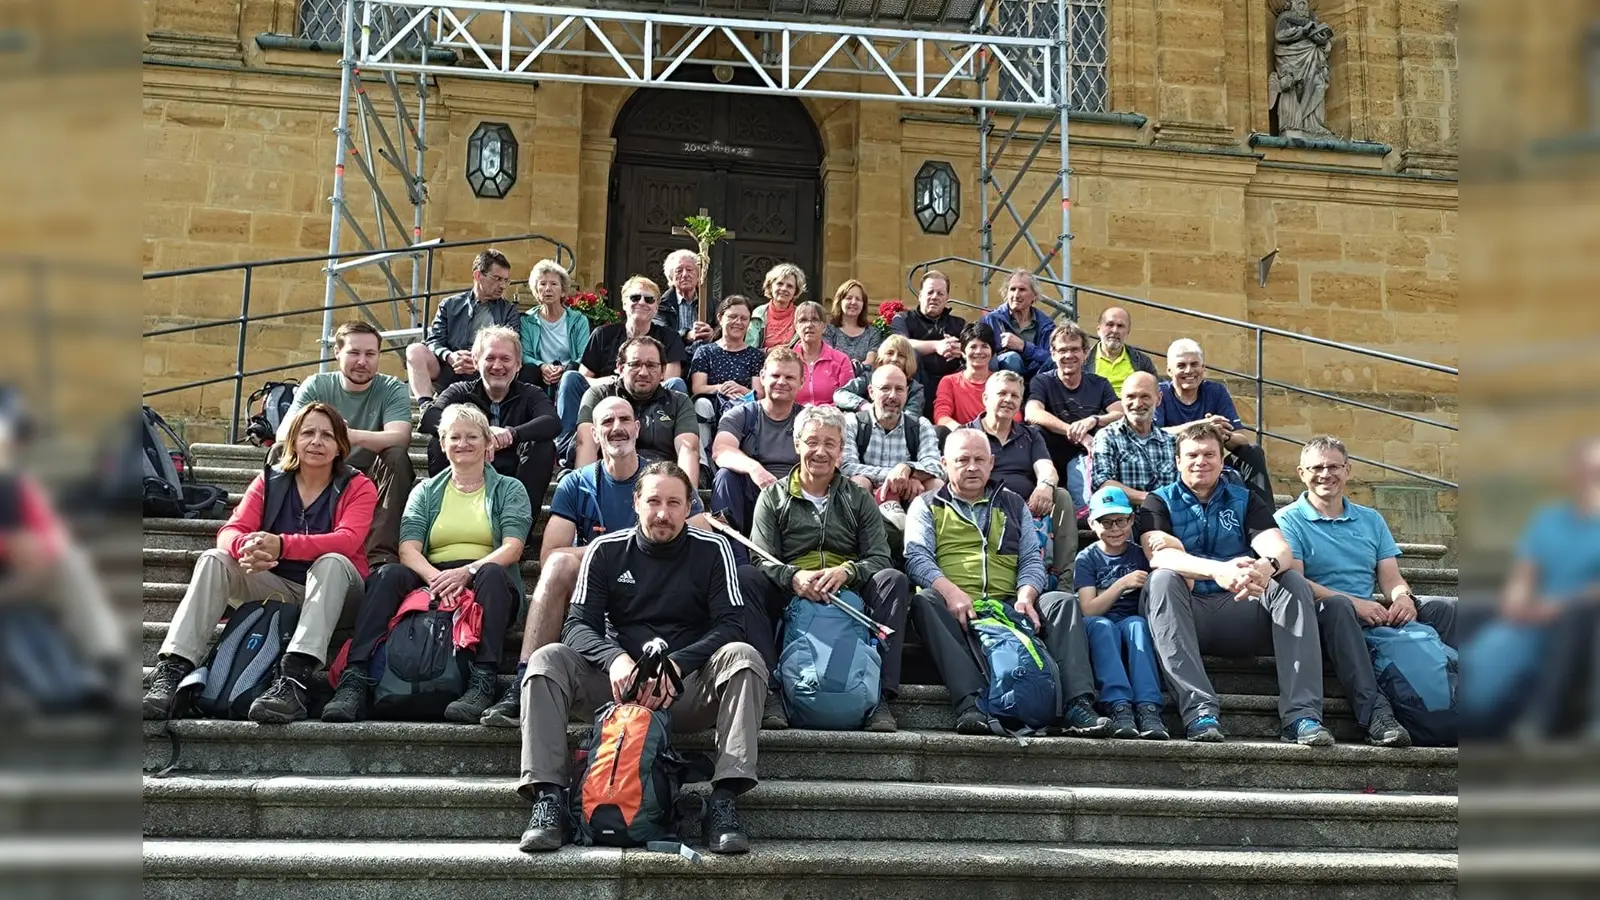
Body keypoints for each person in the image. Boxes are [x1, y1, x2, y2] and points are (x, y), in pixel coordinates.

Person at [516, 462, 764, 855]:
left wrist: (678, 664)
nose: (662, 513)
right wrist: (615, 659)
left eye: (673, 503)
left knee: (744, 658)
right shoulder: (605, 550)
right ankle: (549, 800)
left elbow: (733, 625)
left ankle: (724, 801)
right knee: (547, 660)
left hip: (685, 689)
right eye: (653, 501)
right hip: (616, 692)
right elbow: (578, 625)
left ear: (688, 507)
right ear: (636, 503)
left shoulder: (714, 550)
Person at [478, 397, 707, 728]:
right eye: (607, 422)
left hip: (660, 586)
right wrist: (615, 550)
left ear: (637, 428)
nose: (617, 428)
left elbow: (701, 540)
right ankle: (524, 681)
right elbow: (550, 555)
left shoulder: (665, 480)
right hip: (601, 586)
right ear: (595, 435)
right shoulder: (577, 482)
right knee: (559, 567)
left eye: (625, 419)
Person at [143, 402, 375, 723]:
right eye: (308, 433)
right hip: (275, 586)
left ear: (340, 447)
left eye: (327, 435)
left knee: (333, 561)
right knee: (215, 559)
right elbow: (230, 531)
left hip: (338, 595)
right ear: (292, 440)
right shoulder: (270, 481)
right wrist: (247, 546)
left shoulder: (358, 486)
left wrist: (281, 545)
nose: (317, 441)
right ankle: (172, 670)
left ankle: (293, 680)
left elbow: (348, 540)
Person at [321, 404, 532, 724]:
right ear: (443, 443)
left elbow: (513, 548)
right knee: (387, 573)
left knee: (489, 573)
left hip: (489, 576)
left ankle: (483, 680)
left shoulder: (508, 488)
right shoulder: (426, 490)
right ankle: (355, 678)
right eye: (454, 437)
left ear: (488, 442)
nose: (463, 443)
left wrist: (467, 572)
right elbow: (408, 548)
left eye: (472, 436)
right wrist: (437, 579)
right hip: (432, 575)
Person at [1136, 421, 1336, 746]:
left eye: (1209, 454)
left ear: (1221, 459)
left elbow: (1279, 548)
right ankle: (1200, 712)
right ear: (1177, 462)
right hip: (1188, 614)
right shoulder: (1158, 502)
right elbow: (1159, 556)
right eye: (1193, 455)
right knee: (1161, 581)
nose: (1201, 461)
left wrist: (1264, 567)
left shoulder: (1245, 500)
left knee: (1293, 583)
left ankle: (1302, 716)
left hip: (1241, 607)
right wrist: (1217, 571)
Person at [904, 428, 1111, 736]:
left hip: (1009, 605)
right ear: (945, 464)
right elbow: (916, 558)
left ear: (991, 463)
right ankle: (970, 703)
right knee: (924, 601)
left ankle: (1076, 703)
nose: (972, 467)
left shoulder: (1013, 503)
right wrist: (951, 592)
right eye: (962, 460)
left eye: (979, 459)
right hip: (954, 607)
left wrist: (1027, 596)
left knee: (1062, 602)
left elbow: (1031, 559)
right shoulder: (926, 504)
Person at [737, 405, 910, 733]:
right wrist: (793, 578)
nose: (820, 451)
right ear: (797, 443)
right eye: (813, 442)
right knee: (746, 578)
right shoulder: (773, 497)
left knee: (893, 580)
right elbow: (761, 558)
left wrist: (847, 572)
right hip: (791, 589)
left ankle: (880, 697)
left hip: (848, 590)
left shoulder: (857, 497)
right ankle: (772, 691)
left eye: (830, 444)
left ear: (841, 450)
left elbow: (878, 556)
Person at [1460, 438, 1600, 740]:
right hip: (1535, 615)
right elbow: (1525, 571)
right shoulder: (1549, 519)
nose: (1590, 481)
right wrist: (1516, 598)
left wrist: (1558, 606)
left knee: (1577, 618)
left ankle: (1540, 719)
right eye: (1584, 472)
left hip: (1580, 616)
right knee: (1477, 633)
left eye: (1597, 473)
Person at [0, 414, 124, 712]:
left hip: (16, 579)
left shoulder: (14, 486)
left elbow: (51, 530)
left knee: (70, 560)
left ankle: (103, 653)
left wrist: (38, 548)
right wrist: (9, 544)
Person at [278, 320, 413, 567]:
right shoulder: (317, 385)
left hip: (368, 477)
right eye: (354, 352)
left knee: (396, 457)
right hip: (319, 472)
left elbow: (400, 437)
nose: (362, 361)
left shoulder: (391, 388)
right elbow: (284, 434)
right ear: (337, 352)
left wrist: (346, 434)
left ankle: (378, 558)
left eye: (370, 354)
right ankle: (278, 538)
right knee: (279, 452)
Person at [419, 326, 559, 541]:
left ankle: (518, 534)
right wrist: (479, 433)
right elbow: (430, 418)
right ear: (476, 362)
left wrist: (510, 434)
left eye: (505, 359)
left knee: (542, 446)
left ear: (518, 364)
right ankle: (448, 523)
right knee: (439, 442)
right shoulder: (460, 391)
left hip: (513, 473)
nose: (497, 366)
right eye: (490, 358)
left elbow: (552, 422)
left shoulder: (531, 393)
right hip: (469, 468)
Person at [1075, 486, 1167, 740]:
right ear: (1092, 524)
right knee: (1101, 626)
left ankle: (1148, 707)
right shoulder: (1086, 559)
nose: (1115, 529)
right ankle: (1118, 704)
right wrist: (1122, 584)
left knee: (1138, 625)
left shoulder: (1140, 554)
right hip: (1101, 622)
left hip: (1132, 621)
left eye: (1121, 521)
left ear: (1131, 520)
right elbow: (1088, 608)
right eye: (1106, 522)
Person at [558, 275, 689, 446]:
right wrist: (603, 382)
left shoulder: (669, 337)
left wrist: (634, 382)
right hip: (606, 395)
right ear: (624, 303)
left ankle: (677, 445)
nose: (642, 302)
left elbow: (670, 381)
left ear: (656, 307)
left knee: (677, 385)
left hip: (649, 395)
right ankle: (565, 447)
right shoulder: (603, 334)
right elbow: (583, 377)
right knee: (570, 378)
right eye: (635, 297)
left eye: (649, 299)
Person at [969, 371, 1077, 574]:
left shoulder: (1030, 435)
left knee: (1060, 495)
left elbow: (1046, 468)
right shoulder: (968, 435)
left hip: (1028, 506)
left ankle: (1064, 578)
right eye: (1002, 393)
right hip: (984, 504)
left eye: (1015, 396)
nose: (1008, 400)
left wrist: (1045, 485)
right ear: (985, 398)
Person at [1156, 339, 1274, 508]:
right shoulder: (1160, 393)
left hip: (1212, 462)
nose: (1189, 371)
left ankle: (1266, 517)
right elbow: (1156, 433)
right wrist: (1204, 426)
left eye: (1194, 364)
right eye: (1181, 365)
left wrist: (1223, 434)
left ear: (1203, 369)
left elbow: (1243, 439)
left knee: (1253, 452)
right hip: (1175, 464)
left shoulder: (1216, 391)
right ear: (1169, 370)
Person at [572, 336, 701, 490]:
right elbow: (585, 443)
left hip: (660, 482)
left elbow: (688, 449)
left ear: (663, 371)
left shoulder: (679, 402)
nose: (643, 372)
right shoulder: (599, 396)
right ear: (620, 368)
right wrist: (584, 493)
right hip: (609, 480)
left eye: (651, 365)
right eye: (635, 364)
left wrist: (689, 499)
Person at [1025, 321, 1124, 513]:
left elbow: (1120, 413)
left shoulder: (1099, 383)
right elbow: (1032, 412)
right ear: (1053, 354)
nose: (1069, 355)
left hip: (1087, 453)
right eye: (1062, 350)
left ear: (1085, 353)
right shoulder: (1043, 381)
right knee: (1035, 432)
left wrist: (1093, 420)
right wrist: (1074, 431)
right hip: (1053, 452)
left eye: (1075, 349)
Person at [711, 349, 804, 551]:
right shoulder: (742, 414)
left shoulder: (808, 419)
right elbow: (721, 449)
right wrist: (755, 469)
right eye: (775, 375)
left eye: (789, 377)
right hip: (750, 495)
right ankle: (731, 553)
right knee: (725, 476)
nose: (782, 382)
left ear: (801, 382)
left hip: (796, 498)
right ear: (762, 377)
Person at [407, 248, 521, 403]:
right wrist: (450, 356)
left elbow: (513, 345)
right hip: (451, 367)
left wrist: (478, 361)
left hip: (486, 370)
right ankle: (425, 405)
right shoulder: (450, 304)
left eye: (505, 280)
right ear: (478, 275)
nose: (502, 286)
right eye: (497, 278)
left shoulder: (509, 310)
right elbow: (433, 341)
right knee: (415, 350)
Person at [841, 364, 944, 533]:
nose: (893, 396)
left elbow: (936, 467)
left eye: (899, 389)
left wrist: (908, 469)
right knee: (858, 483)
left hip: (908, 497)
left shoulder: (920, 425)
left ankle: (934, 540)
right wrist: (896, 476)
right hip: (869, 497)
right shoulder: (853, 422)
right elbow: (846, 467)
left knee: (936, 485)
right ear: (871, 392)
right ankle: (858, 542)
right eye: (885, 389)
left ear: (907, 392)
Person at [1090, 372, 1178, 504]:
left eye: (1145, 397)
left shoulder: (1171, 442)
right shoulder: (1107, 437)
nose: (1137, 404)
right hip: (1124, 520)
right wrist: (1154, 500)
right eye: (1130, 397)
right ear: (1122, 400)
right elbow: (1102, 484)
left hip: (1169, 519)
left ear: (1158, 399)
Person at [690, 295, 767, 431]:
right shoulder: (705, 352)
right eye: (733, 317)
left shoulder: (755, 355)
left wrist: (740, 390)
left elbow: (759, 394)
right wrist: (722, 388)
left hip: (743, 408)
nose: (738, 322)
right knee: (701, 404)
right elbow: (698, 388)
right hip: (711, 408)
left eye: (744, 319)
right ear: (720, 318)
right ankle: (702, 452)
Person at [519, 258, 590, 395]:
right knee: (528, 370)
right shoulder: (527, 320)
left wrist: (563, 369)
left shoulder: (579, 320)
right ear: (536, 291)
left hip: (568, 372)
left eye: (554, 284)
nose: (548, 289)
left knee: (573, 371)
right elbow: (525, 354)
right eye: (543, 284)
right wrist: (542, 366)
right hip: (539, 374)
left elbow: (584, 356)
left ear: (563, 291)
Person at [892, 270, 966, 396]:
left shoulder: (959, 324)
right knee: (911, 353)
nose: (935, 297)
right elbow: (901, 344)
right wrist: (937, 346)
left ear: (947, 298)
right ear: (920, 295)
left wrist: (961, 349)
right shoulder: (903, 318)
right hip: (917, 382)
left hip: (952, 381)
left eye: (940, 293)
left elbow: (975, 347)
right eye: (930, 292)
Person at [933, 322, 1011, 440]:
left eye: (984, 346)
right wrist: (966, 432)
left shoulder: (1001, 381)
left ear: (992, 352)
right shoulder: (949, 382)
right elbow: (941, 416)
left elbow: (1015, 416)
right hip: (961, 439)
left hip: (997, 438)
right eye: (973, 347)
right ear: (963, 352)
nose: (979, 351)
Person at [981, 269, 1056, 378]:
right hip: (1001, 378)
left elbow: (1052, 356)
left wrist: (1024, 346)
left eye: (1022, 289)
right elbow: (981, 350)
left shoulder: (1046, 325)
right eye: (1012, 289)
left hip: (1035, 376)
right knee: (1012, 358)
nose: (1016, 295)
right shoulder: (992, 319)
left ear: (1034, 296)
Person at [833, 334, 926, 422]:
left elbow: (911, 417)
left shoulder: (915, 389)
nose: (894, 359)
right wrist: (863, 405)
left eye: (901, 356)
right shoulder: (869, 378)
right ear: (881, 358)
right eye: (890, 353)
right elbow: (840, 394)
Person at [1083, 306, 1159, 395]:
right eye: (1110, 324)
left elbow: (1157, 389)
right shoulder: (1083, 360)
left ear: (1127, 332)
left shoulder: (1142, 361)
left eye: (1120, 326)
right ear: (1098, 329)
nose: (1115, 330)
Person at [792, 301, 855, 406]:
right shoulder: (788, 360)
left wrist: (822, 413)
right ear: (796, 326)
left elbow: (848, 397)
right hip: (794, 417)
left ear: (824, 326)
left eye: (815, 320)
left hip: (831, 418)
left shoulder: (841, 360)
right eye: (803, 320)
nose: (809, 325)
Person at [656, 248, 714, 347]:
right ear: (671, 277)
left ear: (699, 275)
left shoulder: (711, 304)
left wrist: (712, 334)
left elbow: (721, 332)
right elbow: (661, 335)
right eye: (679, 271)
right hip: (672, 359)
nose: (685, 275)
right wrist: (687, 336)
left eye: (689, 270)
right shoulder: (660, 306)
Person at [747, 262, 806, 350]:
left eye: (789, 286)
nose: (784, 289)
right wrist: (767, 351)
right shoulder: (759, 313)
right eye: (779, 283)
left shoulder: (802, 315)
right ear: (770, 286)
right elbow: (749, 350)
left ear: (795, 291)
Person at [824, 278, 882, 367]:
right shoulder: (829, 331)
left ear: (863, 304)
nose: (853, 302)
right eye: (849, 298)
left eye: (858, 299)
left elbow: (870, 362)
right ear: (840, 302)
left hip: (863, 379)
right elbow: (829, 359)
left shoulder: (873, 333)